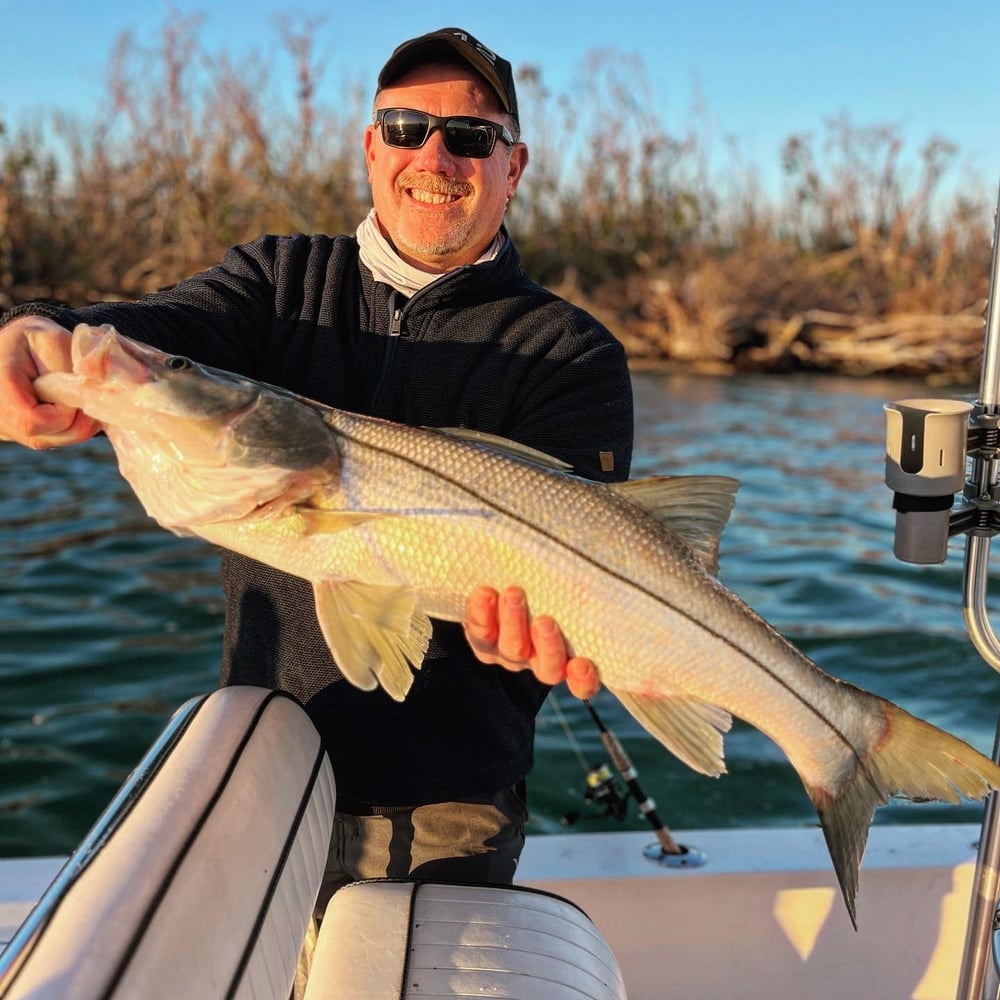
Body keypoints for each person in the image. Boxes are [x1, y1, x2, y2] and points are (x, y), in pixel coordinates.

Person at [0, 27, 634, 912]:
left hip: (448, 805)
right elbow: (154, 332)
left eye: (471, 135)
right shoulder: (276, 281)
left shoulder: (569, 353)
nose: (435, 154)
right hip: (259, 767)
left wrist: (533, 640)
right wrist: (34, 332)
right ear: (372, 148)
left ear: (513, 165)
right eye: (405, 127)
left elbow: (587, 569)